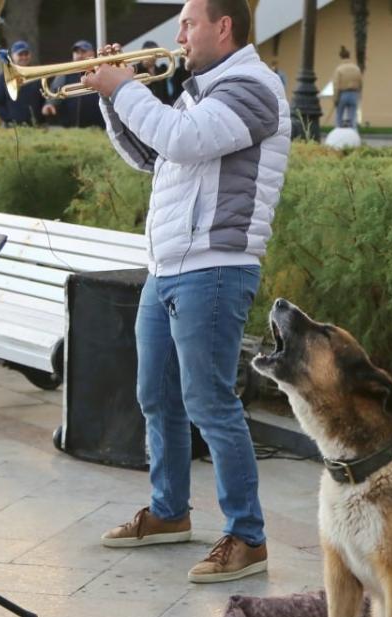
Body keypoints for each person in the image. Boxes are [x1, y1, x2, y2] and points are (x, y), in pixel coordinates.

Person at [83, 0, 289, 583]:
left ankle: (248, 537)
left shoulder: (252, 88)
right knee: (157, 396)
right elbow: (150, 154)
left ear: (224, 27)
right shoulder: (202, 90)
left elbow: (179, 139)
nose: (178, 36)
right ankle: (170, 512)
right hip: (169, 266)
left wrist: (126, 89)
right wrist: (110, 96)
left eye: (188, 24)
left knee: (210, 404)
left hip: (216, 266)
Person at [40, 40, 106, 128]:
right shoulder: (64, 73)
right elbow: (55, 91)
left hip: (99, 126)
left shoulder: (100, 71)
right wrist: (50, 104)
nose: (79, 55)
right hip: (70, 128)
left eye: (83, 52)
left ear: (93, 53)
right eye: (76, 52)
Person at [0, 41, 44, 126]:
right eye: (20, 55)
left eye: (26, 54)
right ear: (13, 56)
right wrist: (10, 119)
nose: (24, 57)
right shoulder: (4, 77)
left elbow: (43, 100)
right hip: (13, 129)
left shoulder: (37, 75)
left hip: (36, 127)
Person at [134, 39, 178, 106]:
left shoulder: (160, 71)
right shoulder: (134, 70)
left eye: (154, 55)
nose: (150, 57)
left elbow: (165, 94)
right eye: (146, 54)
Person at [331, 45, 362, 128]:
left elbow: (336, 85)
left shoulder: (339, 69)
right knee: (352, 117)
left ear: (341, 57)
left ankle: (338, 132)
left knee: (339, 115)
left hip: (342, 94)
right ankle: (353, 134)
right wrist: (358, 95)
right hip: (354, 94)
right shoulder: (356, 68)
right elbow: (360, 82)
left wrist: (335, 99)